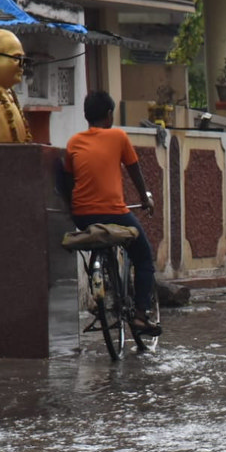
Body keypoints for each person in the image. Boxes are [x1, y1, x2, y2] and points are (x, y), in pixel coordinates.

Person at [63, 90, 161, 336]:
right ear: (109, 115)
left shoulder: (73, 142)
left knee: (102, 244)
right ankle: (140, 315)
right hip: (114, 213)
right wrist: (145, 198)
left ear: (87, 117)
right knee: (143, 257)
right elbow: (134, 171)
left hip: (82, 215)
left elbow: (69, 178)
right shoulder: (118, 136)